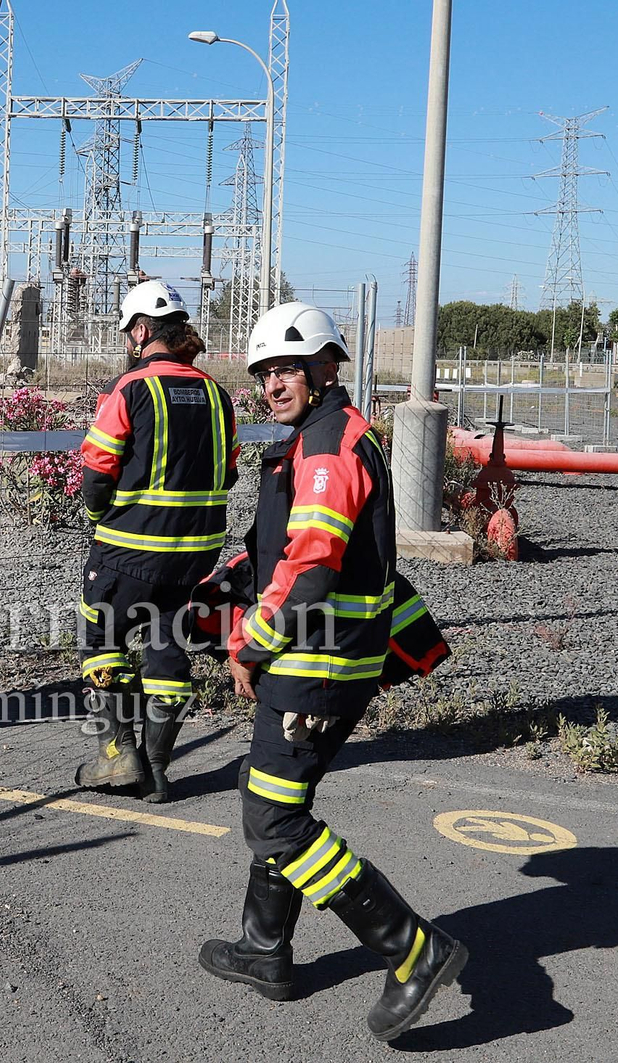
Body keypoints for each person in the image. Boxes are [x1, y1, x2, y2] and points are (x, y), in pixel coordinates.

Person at [198, 302, 467, 1041]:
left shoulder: (326, 446)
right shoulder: (322, 437)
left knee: (277, 818)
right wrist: (232, 583)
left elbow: (311, 569)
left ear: (326, 369)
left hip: (315, 665)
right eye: (264, 371)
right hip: (317, 657)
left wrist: (246, 641)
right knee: (271, 794)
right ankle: (263, 948)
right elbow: (294, 551)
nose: (272, 383)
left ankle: (414, 948)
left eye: (288, 366)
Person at [75, 280, 238, 801]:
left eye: (128, 332)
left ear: (141, 331)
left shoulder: (129, 389)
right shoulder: (218, 394)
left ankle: (119, 756)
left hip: (129, 548)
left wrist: (100, 512)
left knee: (101, 637)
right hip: (198, 554)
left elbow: (97, 471)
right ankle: (161, 770)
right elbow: (229, 474)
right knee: (169, 646)